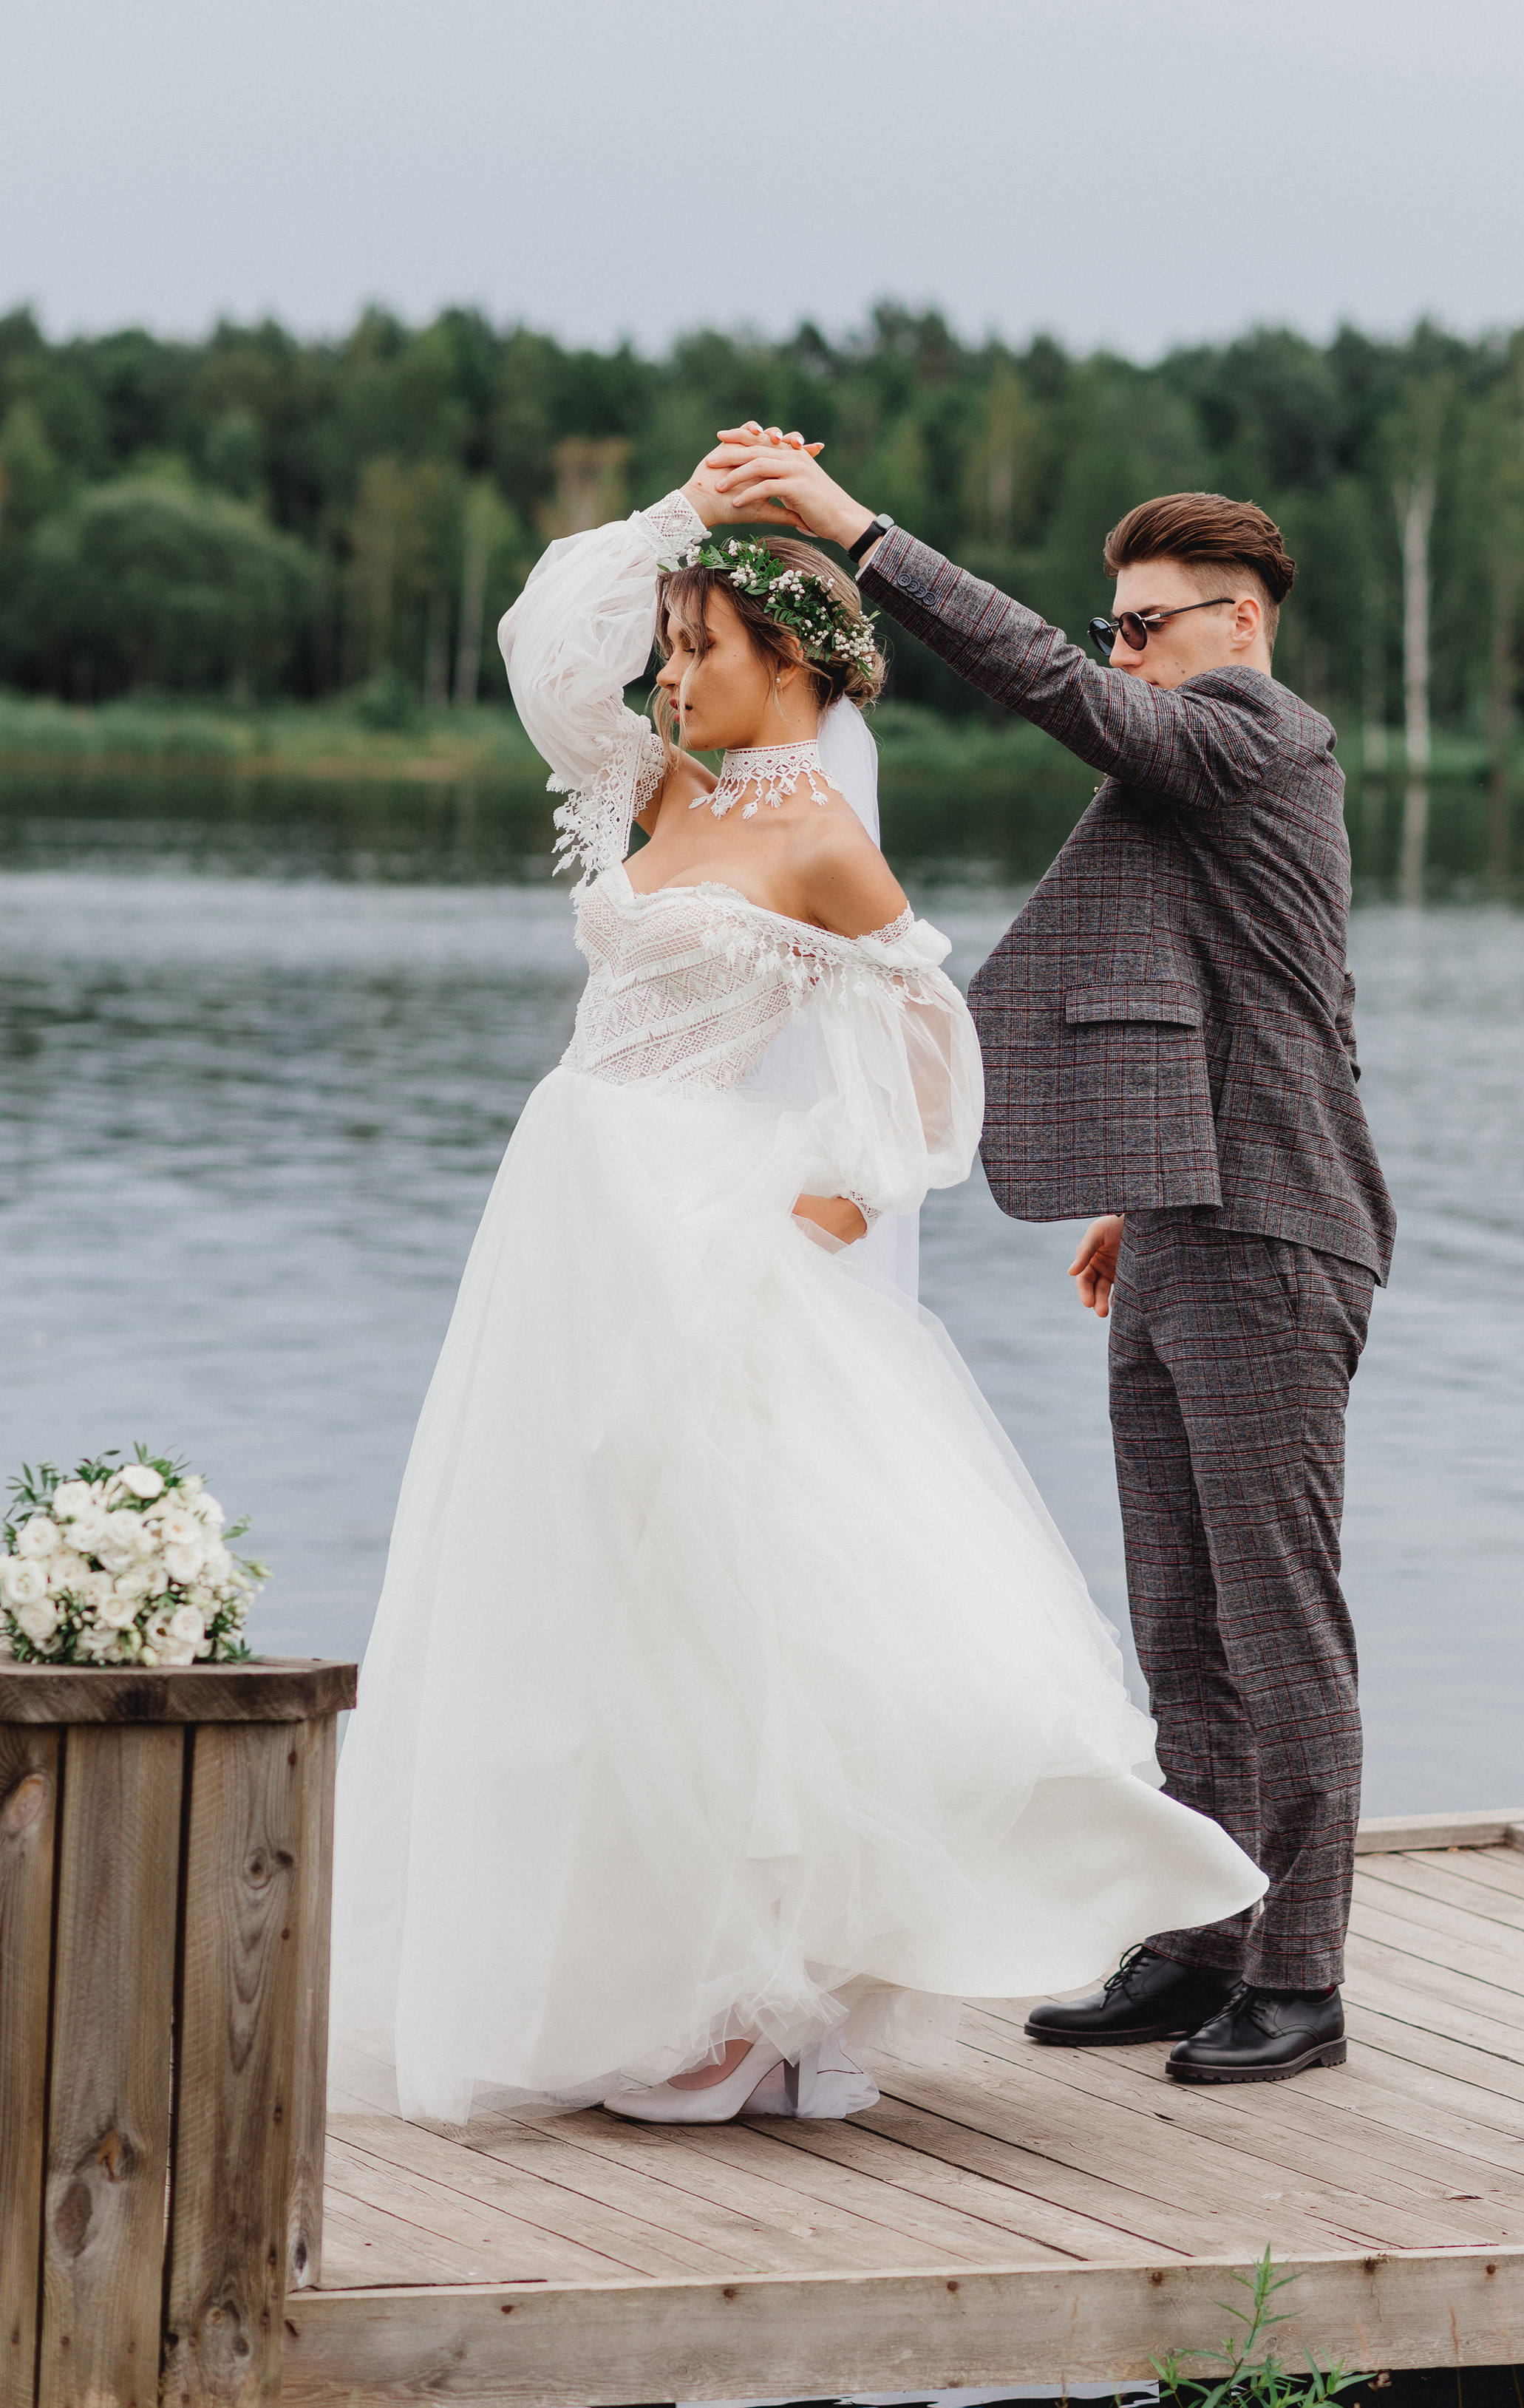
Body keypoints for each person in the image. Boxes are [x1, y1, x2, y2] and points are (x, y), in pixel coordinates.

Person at [326, 454, 1265, 2129]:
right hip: (572, 1213)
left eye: (699, 645)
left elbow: (925, 1035)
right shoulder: (659, 775)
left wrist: (833, 1192)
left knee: (735, 1600)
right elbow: (548, 650)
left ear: (795, 665)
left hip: (700, 1225)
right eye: (671, 645)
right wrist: (680, 522)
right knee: (594, 1583)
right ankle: (665, 1968)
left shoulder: (821, 835)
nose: (669, 672)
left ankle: (770, 1999)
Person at [702, 425, 1395, 2089]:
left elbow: (1046, 689)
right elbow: (1270, 1000)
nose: (1123, 657)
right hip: (1182, 1215)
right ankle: (1202, 1934)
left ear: (1241, 623)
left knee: (1274, 1624)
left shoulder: (1255, 736)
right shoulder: (1203, 770)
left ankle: (1298, 1978)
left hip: (1271, 1236)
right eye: (1117, 629)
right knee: (1178, 1621)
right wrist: (1126, 1181)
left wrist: (855, 532)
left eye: (1150, 625)